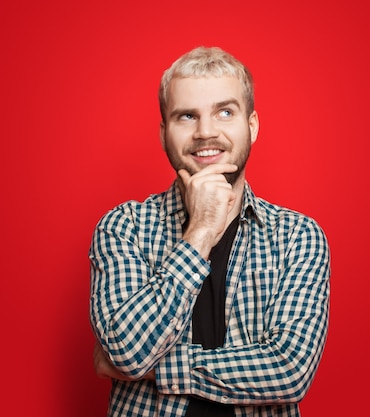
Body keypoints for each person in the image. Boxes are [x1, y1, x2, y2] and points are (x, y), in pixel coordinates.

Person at [89, 46, 330, 417]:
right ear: (163, 132)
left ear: (251, 126)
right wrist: (200, 231)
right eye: (187, 116)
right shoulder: (124, 227)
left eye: (225, 112)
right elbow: (126, 350)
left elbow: (289, 372)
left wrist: (156, 369)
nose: (206, 132)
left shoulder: (298, 236)